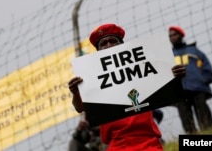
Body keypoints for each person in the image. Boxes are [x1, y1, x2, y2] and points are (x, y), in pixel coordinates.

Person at [68, 23, 186, 151]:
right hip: (117, 145)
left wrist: (174, 76)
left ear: (122, 45)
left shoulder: (143, 67)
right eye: (103, 43)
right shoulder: (91, 79)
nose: (108, 46)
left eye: (113, 41)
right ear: (98, 51)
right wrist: (75, 93)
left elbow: (167, 90)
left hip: (149, 141)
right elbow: (80, 108)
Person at [168, 25, 212, 134]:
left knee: (205, 118)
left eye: (175, 35)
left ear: (181, 35)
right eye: (170, 36)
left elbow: (207, 69)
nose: (172, 37)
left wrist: (202, 81)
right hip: (179, 93)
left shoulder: (195, 51)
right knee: (187, 122)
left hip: (197, 89)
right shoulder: (169, 55)